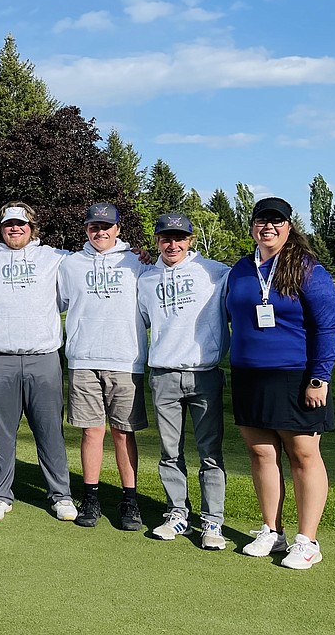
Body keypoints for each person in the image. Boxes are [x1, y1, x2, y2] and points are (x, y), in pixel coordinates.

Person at [226, 197, 335, 569]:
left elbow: (328, 326)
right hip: (248, 374)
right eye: (262, 221)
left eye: (277, 222)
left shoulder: (307, 268)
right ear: (253, 225)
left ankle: (307, 541)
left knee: (303, 455)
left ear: (290, 227)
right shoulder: (241, 269)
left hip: (296, 375)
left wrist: (319, 378)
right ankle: (272, 532)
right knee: (261, 453)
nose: (268, 227)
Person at [0, 203, 77, 523]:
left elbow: (95, 262)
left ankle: (60, 495)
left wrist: (141, 257)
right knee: (2, 432)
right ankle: (1, 494)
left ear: (32, 227)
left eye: (21, 224)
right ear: (0, 228)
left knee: (49, 431)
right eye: (9, 225)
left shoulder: (55, 258)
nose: (15, 229)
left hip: (43, 358)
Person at [137, 212, 230, 550]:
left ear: (190, 240)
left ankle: (212, 521)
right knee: (169, 451)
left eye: (179, 237)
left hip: (204, 374)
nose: (172, 244)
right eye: (165, 238)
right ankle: (177, 514)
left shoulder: (215, 272)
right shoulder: (146, 279)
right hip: (163, 375)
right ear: (158, 241)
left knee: (210, 452)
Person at [58, 203, 150, 531]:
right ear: (86, 229)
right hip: (83, 358)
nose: (100, 232)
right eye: (94, 227)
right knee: (91, 432)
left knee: (124, 433)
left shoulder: (137, 262)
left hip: (126, 359)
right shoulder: (70, 264)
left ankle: (129, 500)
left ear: (118, 229)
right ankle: (92, 497)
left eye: (106, 227)